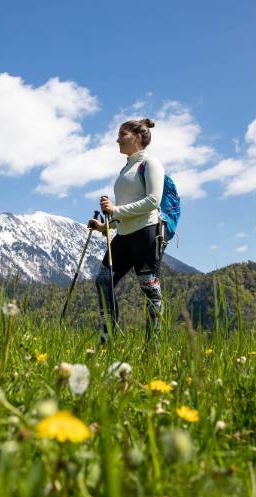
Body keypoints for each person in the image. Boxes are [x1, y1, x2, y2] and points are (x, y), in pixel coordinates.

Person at [88, 118, 165, 344]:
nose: (117, 139)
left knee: (150, 292)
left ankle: (152, 348)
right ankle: (108, 337)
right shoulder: (126, 169)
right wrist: (105, 226)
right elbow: (122, 210)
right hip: (124, 235)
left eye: (123, 134)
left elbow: (153, 201)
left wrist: (114, 209)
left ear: (138, 137)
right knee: (103, 281)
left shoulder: (150, 164)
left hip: (146, 234)